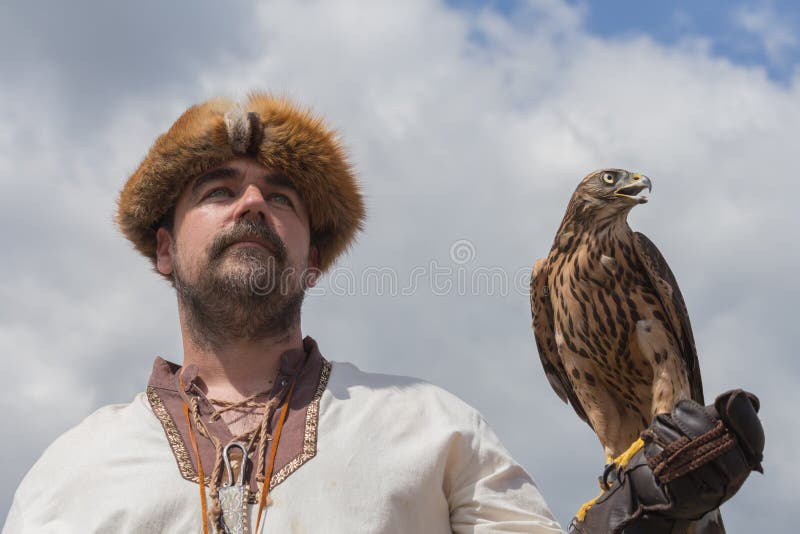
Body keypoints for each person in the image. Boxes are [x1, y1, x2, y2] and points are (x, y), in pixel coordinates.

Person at [3, 94, 763, 534]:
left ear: (312, 260)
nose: (252, 204)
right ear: (164, 250)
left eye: (282, 196)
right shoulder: (66, 473)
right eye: (218, 191)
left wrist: (655, 521)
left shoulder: (434, 428)